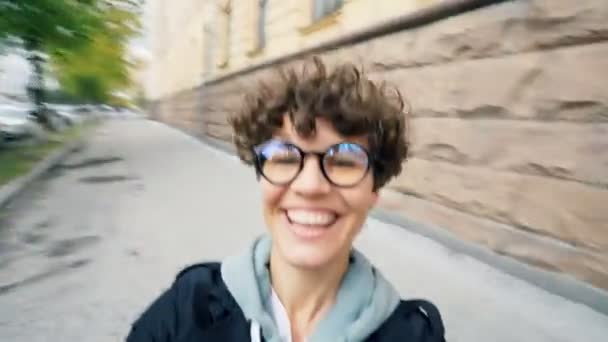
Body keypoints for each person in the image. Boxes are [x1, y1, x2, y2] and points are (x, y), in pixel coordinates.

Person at [126, 57, 445, 342]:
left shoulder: (413, 334)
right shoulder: (188, 309)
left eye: (345, 161)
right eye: (284, 157)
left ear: (374, 190)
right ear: (261, 175)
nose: (310, 185)